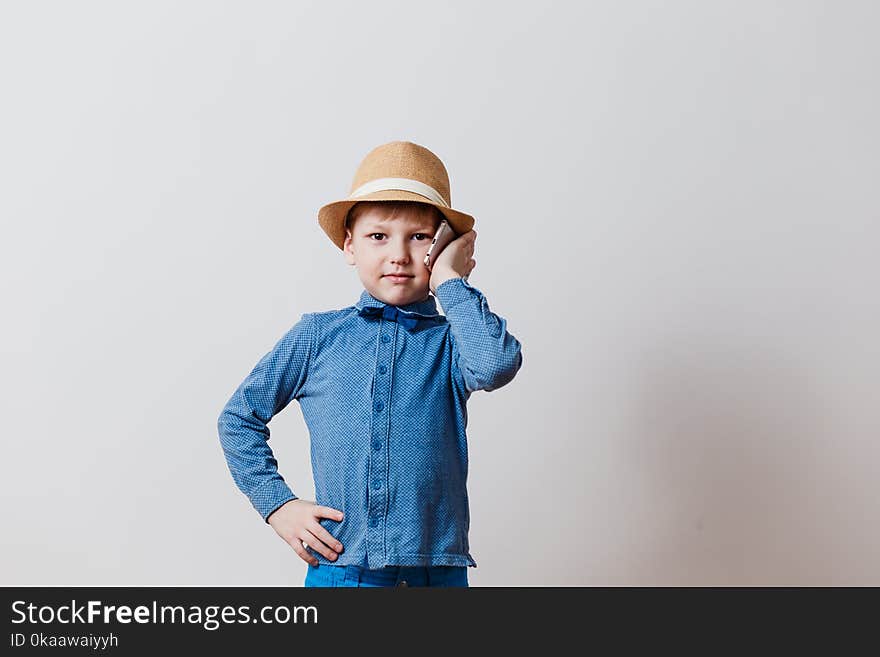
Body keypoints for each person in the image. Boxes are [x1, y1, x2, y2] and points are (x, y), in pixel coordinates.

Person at [217, 141, 523, 587]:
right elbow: (238, 418)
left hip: (436, 574)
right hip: (342, 569)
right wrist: (277, 505)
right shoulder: (317, 337)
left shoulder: (454, 342)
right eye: (378, 236)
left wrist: (451, 282)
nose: (398, 253)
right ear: (350, 247)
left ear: (444, 248)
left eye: (420, 237)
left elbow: (495, 365)